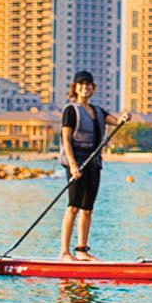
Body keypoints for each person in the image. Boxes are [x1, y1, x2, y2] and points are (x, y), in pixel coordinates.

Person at [59, 71, 127, 262]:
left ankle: (82, 251)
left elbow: (116, 121)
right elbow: (66, 140)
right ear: (75, 88)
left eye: (88, 84)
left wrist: (124, 117)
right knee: (73, 206)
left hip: (93, 164)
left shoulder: (98, 111)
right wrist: (73, 166)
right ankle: (64, 253)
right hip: (77, 163)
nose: (85, 87)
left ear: (93, 88)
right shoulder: (70, 111)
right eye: (81, 84)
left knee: (87, 209)